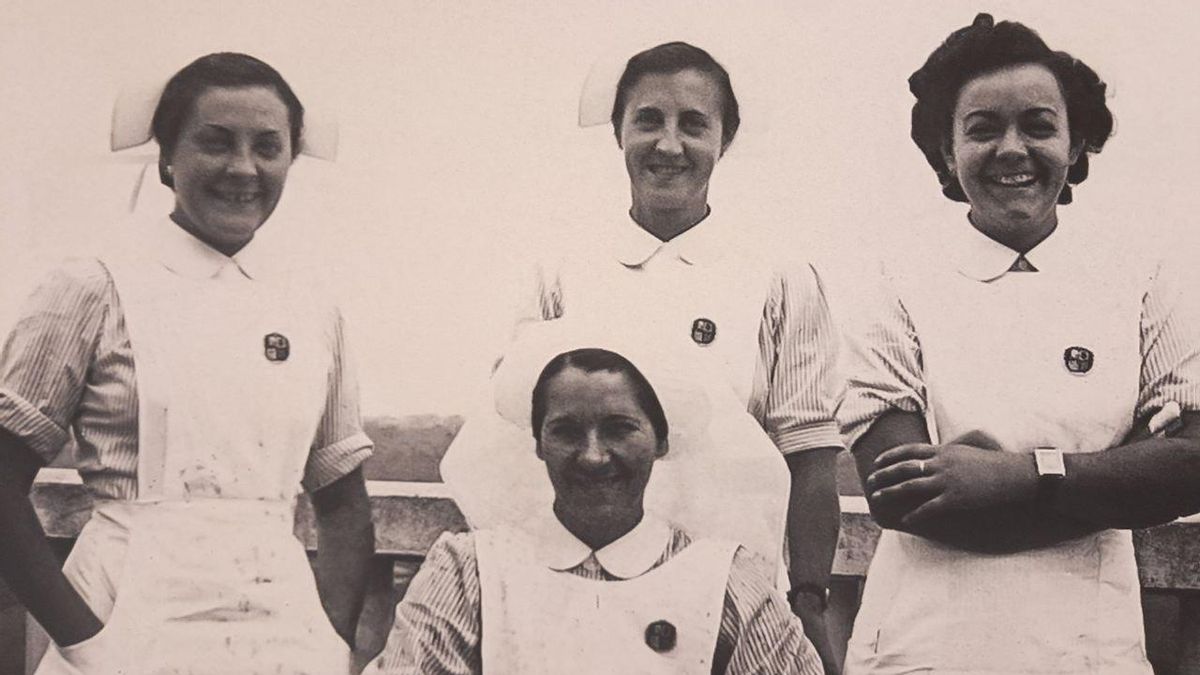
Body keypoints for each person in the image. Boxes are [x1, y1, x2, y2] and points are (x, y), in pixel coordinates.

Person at [444, 40, 844, 671]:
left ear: (725, 139)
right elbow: (517, 440)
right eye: (648, 120)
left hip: (730, 597)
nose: (668, 145)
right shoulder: (562, 271)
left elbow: (811, 452)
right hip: (576, 588)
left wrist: (811, 599)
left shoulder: (777, 275)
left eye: (694, 124)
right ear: (619, 132)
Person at [839, 14, 1200, 674]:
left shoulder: (1141, 275)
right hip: (920, 649)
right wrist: (1113, 476)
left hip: (1093, 652)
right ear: (947, 151)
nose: (1012, 149)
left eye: (1037, 125)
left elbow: (1190, 467)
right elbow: (899, 492)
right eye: (982, 129)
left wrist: (1015, 474)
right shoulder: (894, 276)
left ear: (1076, 139)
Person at [0, 53, 374, 674]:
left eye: (267, 147)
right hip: (124, 626)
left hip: (282, 638)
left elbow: (341, 500)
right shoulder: (92, 286)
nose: (243, 169)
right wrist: (87, 643)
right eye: (215, 143)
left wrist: (332, 640)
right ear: (167, 158)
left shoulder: (312, 307)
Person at [373, 344, 824, 674]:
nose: (593, 455)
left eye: (619, 429)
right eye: (566, 431)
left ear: (661, 441)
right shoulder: (468, 572)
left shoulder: (727, 582)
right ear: (538, 443)